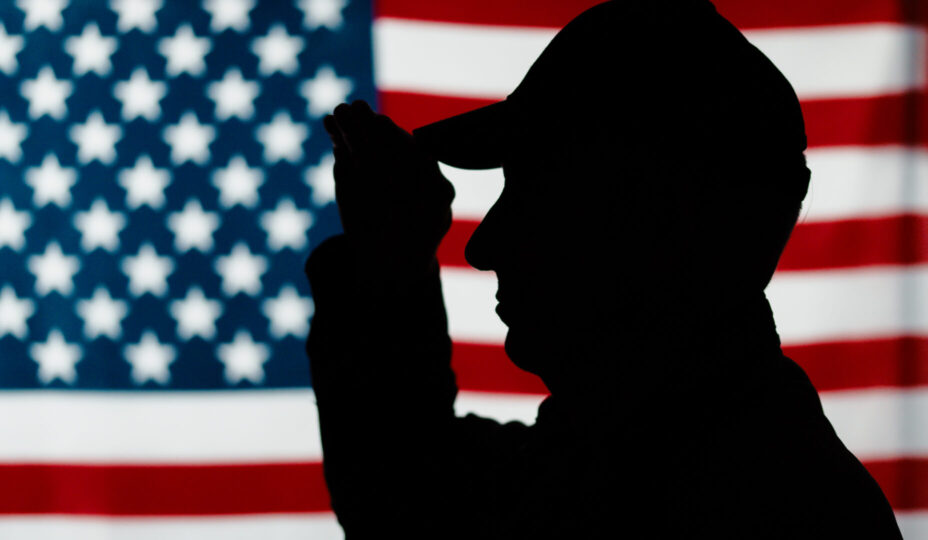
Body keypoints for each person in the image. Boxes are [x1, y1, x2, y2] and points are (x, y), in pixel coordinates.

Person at [305, 0, 902, 537]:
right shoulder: (632, 462)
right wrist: (392, 264)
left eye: (534, 192)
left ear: (648, 221)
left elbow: (413, 504)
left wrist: (392, 269)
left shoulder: (744, 506)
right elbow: (411, 496)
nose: (482, 245)